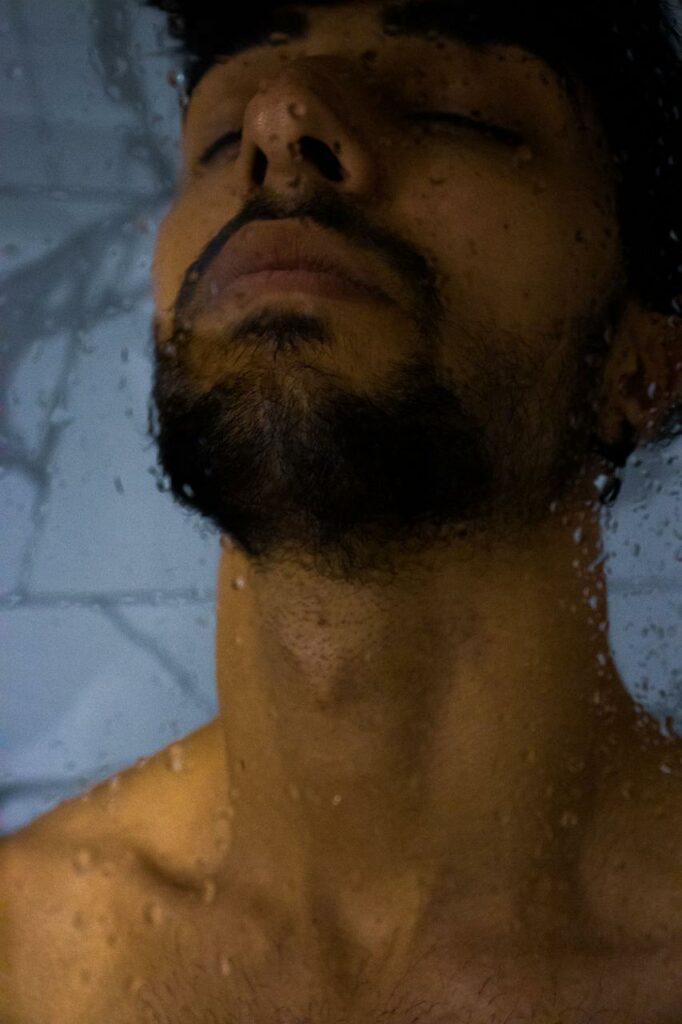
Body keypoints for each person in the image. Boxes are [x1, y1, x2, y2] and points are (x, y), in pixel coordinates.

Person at [2, 0, 682, 1019]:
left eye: (455, 112)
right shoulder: (20, 952)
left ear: (642, 366)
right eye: (221, 136)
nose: (281, 119)